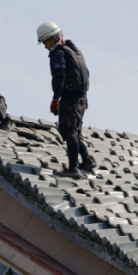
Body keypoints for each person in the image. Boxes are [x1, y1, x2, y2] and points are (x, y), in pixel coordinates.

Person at [37, 21, 96, 178]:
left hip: (70, 99)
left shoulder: (59, 53)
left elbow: (60, 75)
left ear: (53, 38)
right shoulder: (74, 50)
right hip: (82, 100)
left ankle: (72, 169)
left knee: (69, 132)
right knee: (75, 131)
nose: (45, 46)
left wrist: (56, 98)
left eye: (45, 41)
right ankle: (87, 160)